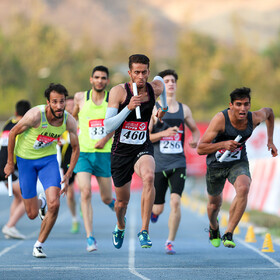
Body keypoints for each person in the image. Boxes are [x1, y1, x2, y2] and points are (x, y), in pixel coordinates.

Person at [4, 83, 79, 258]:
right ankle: (41, 204)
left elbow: (76, 148)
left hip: (48, 161)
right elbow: (13, 133)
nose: (59, 106)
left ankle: (38, 245)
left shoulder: (69, 121)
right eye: (55, 102)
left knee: (55, 203)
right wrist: (9, 163)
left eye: (62, 102)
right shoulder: (35, 116)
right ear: (48, 102)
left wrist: (68, 174)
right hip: (25, 162)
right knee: (31, 214)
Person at [197, 87, 278, 248]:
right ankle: (214, 228)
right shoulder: (220, 120)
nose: (243, 109)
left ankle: (229, 233)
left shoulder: (253, 118)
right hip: (216, 164)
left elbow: (269, 112)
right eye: (239, 104)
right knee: (214, 205)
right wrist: (223, 144)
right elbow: (200, 148)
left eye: (246, 104)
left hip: (238, 161)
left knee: (243, 188)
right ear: (231, 105)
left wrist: (270, 140)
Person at [104, 54, 168, 249]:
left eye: (144, 72)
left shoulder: (153, 88)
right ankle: (120, 225)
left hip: (142, 146)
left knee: (149, 177)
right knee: (121, 203)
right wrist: (128, 108)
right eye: (137, 73)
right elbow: (107, 126)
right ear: (130, 73)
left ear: (148, 72)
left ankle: (144, 230)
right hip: (121, 152)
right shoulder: (118, 92)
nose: (141, 77)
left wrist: (162, 107)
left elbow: (161, 83)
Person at [148, 69, 200, 254]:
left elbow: (195, 129)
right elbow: (148, 136)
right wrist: (164, 133)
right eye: (166, 81)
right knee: (159, 208)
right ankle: (154, 212)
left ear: (176, 85)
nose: (170, 84)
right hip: (158, 164)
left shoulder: (184, 109)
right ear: (161, 86)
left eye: (172, 81)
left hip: (178, 163)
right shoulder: (154, 108)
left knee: (176, 202)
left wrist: (195, 139)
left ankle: (170, 241)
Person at [73, 65, 115, 252]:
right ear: (91, 79)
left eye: (103, 78)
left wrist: (105, 139)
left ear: (107, 81)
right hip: (83, 153)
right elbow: (72, 117)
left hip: (103, 153)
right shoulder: (80, 98)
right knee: (86, 192)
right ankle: (90, 237)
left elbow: (117, 124)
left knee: (106, 197)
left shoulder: (112, 100)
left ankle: (113, 204)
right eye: (97, 77)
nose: (100, 80)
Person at [0, 100, 31, 239]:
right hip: (9, 166)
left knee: (18, 198)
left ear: (15, 112)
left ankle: (11, 228)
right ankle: (9, 226)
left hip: (2, 165)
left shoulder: (7, 124)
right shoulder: (23, 126)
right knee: (28, 198)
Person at [60, 96, 79, 234]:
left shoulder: (82, 121)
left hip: (83, 158)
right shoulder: (61, 123)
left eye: (73, 105)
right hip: (67, 161)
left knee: (86, 190)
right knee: (70, 194)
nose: (71, 108)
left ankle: (85, 205)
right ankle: (74, 219)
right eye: (69, 105)